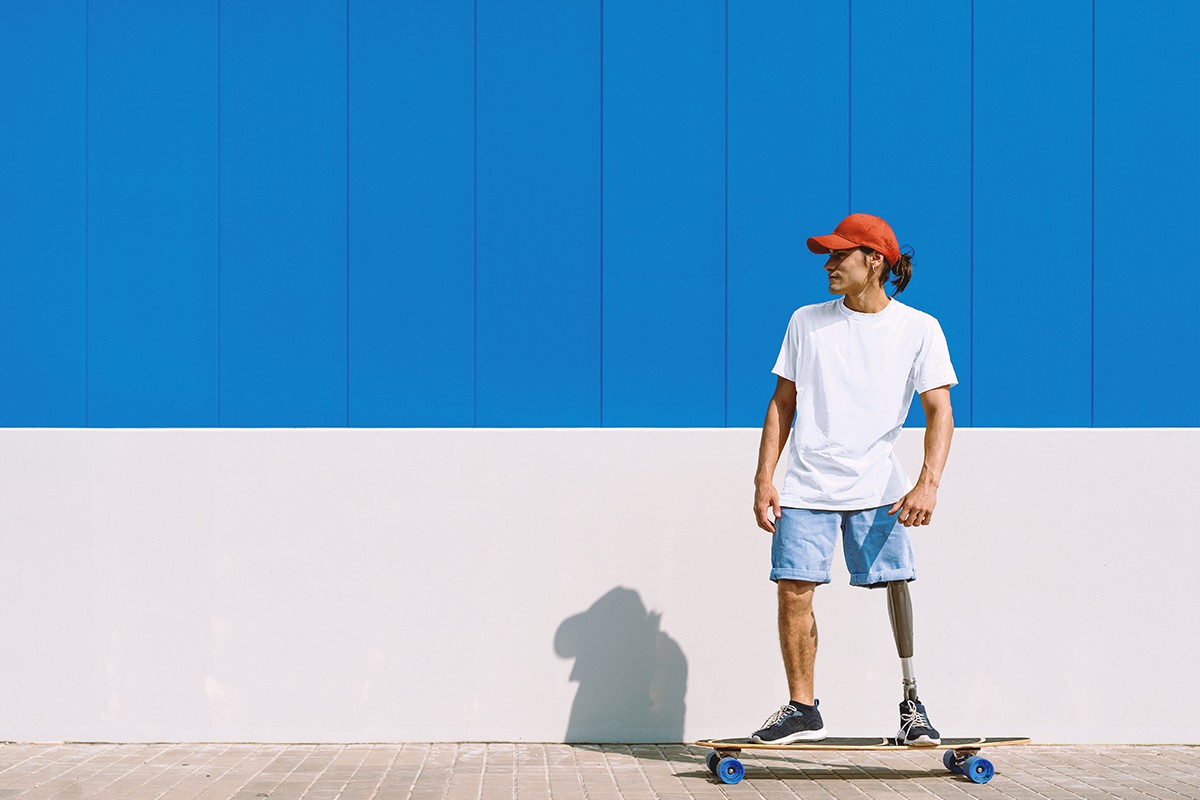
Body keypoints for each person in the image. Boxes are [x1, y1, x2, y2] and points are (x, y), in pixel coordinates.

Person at [750, 213, 957, 746]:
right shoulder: (806, 321)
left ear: (875, 262)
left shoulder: (918, 328)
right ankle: (802, 707)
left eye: (841, 254)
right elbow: (783, 403)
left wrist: (927, 483)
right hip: (805, 485)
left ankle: (912, 703)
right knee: (793, 589)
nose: (829, 264)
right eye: (828, 254)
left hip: (878, 486)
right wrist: (763, 479)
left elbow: (940, 411)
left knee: (895, 584)